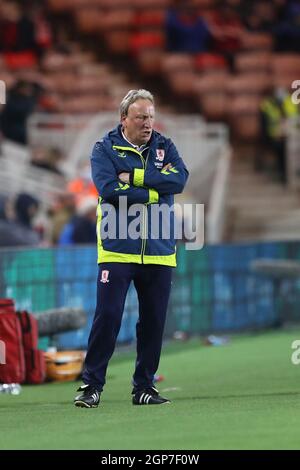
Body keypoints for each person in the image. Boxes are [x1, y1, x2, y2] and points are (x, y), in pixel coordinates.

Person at [74, 89, 189, 408]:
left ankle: (144, 388)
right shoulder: (104, 148)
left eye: (151, 116)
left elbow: (178, 181)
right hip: (117, 249)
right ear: (124, 119)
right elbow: (110, 190)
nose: (148, 123)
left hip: (160, 250)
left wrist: (135, 177)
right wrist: (154, 191)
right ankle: (91, 385)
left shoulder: (166, 146)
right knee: (107, 317)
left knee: (153, 321)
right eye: (140, 117)